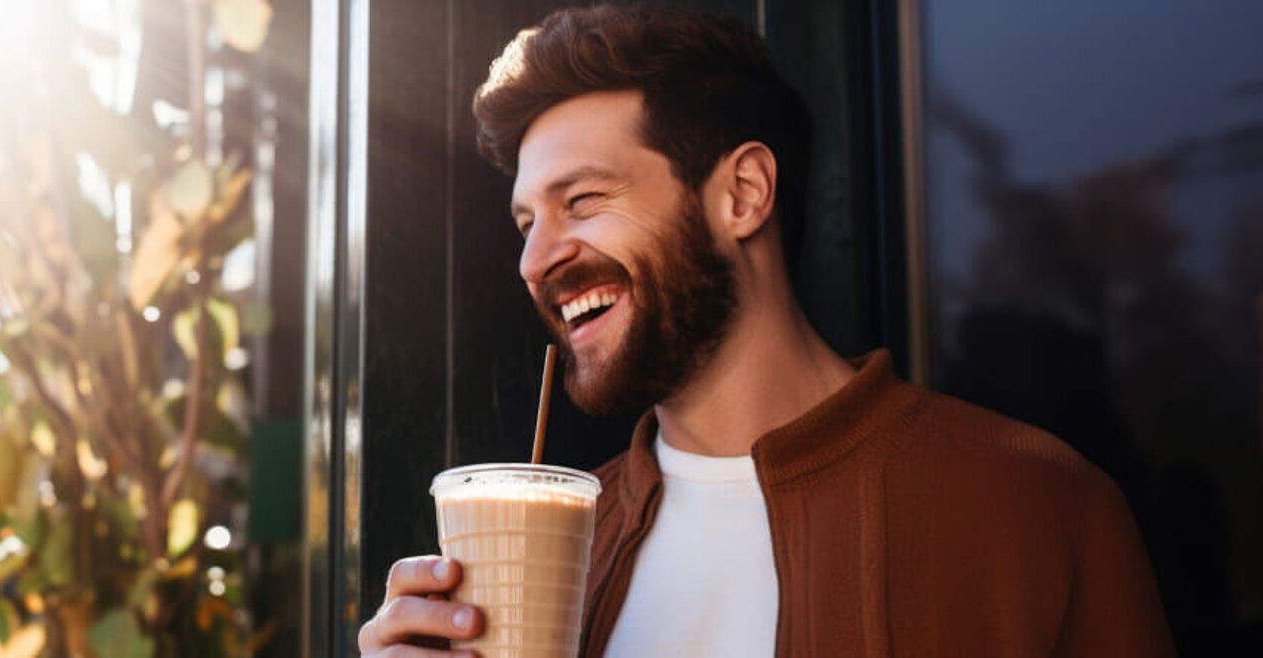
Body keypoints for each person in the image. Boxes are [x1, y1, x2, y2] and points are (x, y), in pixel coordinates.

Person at [358, 5, 1175, 657]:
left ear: (744, 193)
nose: (536, 260)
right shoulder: (570, 537)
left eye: (583, 201)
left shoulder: (1032, 503)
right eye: (526, 222)